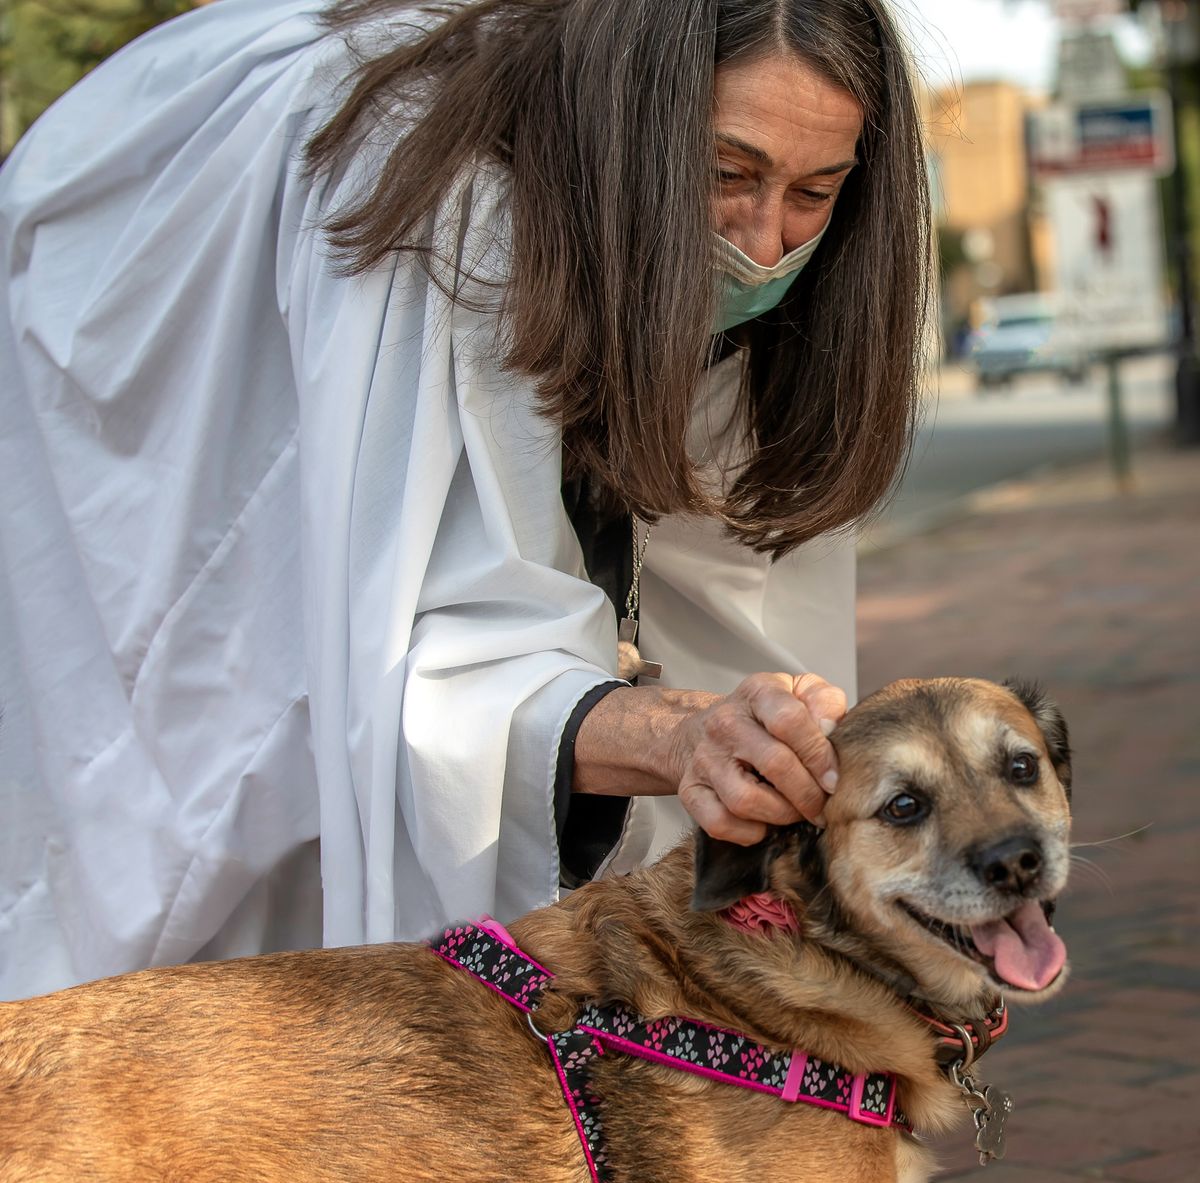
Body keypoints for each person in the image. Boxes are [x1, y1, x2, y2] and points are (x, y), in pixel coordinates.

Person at [0, 0, 930, 999]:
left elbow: (725, 600)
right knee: (193, 911)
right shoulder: (446, 202)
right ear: (636, 132)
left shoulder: (784, 271)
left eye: (815, 190)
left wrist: (755, 746)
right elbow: (414, 662)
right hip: (126, 471)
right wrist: (677, 735)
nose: (763, 241)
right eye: (727, 174)